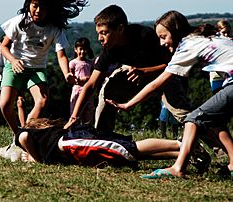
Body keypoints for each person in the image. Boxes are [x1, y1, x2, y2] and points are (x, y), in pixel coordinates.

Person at [106, 11, 233, 178]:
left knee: (193, 119)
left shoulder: (187, 46)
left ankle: (178, 168)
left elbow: (156, 83)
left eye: (163, 36)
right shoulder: (205, 37)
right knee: (212, 119)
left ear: (176, 30)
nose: (161, 43)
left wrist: (128, 104)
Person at [0, 0, 88, 159]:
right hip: (15, 65)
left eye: (43, 6)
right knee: (4, 104)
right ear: (29, 4)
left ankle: (24, 134)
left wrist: (67, 73)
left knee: (42, 101)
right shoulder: (20, 21)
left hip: (37, 69)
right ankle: (17, 134)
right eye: (35, 5)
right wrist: (13, 61)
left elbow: (61, 55)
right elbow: (3, 46)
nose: (38, 10)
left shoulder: (54, 29)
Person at [64, 5, 169, 132]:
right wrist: (74, 117)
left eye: (104, 33)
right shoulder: (110, 49)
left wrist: (145, 71)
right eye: (98, 33)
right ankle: (103, 136)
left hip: (163, 74)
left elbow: (171, 65)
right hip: (133, 76)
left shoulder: (145, 36)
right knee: (107, 91)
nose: (99, 38)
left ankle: (193, 134)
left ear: (120, 29)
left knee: (179, 106)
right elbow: (91, 84)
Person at [16, 118, 181, 166]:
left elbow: (23, 138)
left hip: (70, 143)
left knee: (130, 148)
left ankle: (181, 144)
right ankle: (183, 154)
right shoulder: (46, 131)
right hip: (77, 140)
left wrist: (34, 158)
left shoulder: (27, 133)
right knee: (130, 154)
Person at [0, 36, 26, 134]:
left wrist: (20, 91)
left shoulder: (16, 54)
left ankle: (24, 128)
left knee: (21, 101)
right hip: (0, 79)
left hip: (15, 78)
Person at [69, 37, 94, 124]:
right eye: (81, 49)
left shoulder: (90, 63)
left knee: (88, 112)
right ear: (76, 50)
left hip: (88, 91)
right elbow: (70, 78)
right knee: (75, 112)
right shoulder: (73, 63)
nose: (83, 52)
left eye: (85, 49)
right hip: (77, 90)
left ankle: (86, 131)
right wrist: (80, 79)